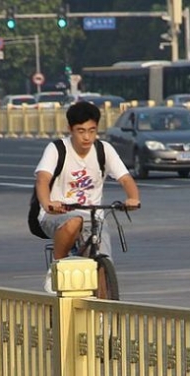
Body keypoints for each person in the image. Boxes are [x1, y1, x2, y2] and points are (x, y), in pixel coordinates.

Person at [34, 101, 140, 292]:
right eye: (81, 131)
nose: (87, 137)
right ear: (70, 129)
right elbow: (42, 180)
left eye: (92, 131)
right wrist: (48, 203)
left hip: (93, 217)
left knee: (103, 264)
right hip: (57, 215)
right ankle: (56, 268)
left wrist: (133, 198)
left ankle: (102, 307)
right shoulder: (57, 149)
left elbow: (126, 179)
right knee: (74, 221)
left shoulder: (104, 150)